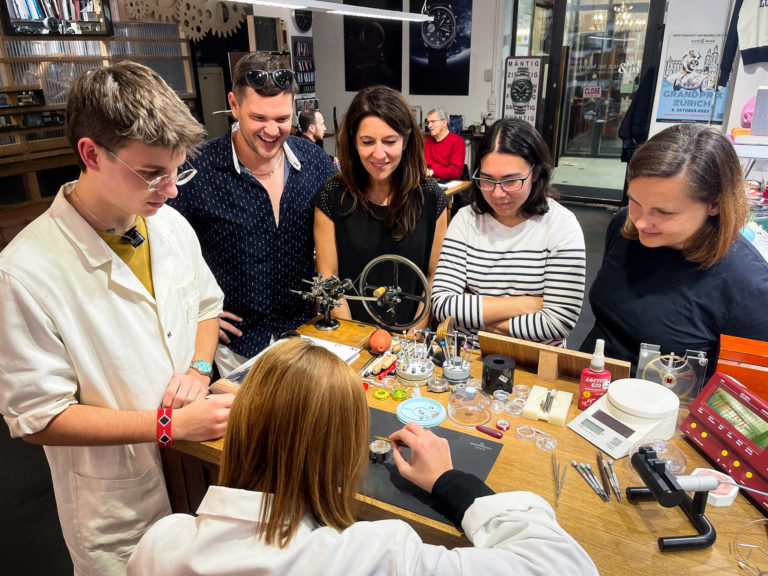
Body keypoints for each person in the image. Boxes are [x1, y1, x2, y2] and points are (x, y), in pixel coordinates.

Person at [0, 62, 234, 576]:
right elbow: (40, 418)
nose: (171, 190)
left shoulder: (168, 224)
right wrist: (167, 425)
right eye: (152, 173)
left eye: (179, 170)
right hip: (120, 503)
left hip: (194, 473)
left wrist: (197, 369)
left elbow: (205, 305)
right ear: (91, 154)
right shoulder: (24, 272)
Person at [127, 338, 599, 575]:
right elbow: (561, 565)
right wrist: (453, 483)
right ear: (344, 453)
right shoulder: (374, 556)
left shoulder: (157, 547)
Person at [169, 53, 336, 375]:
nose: (272, 130)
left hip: (302, 337)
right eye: (259, 118)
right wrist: (193, 312)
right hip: (233, 348)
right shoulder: (197, 168)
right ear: (234, 105)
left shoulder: (315, 163)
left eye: (282, 118)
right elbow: (161, 248)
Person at [581, 123, 768, 377]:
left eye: (663, 212)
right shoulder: (625, 227)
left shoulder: (749, 287)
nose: (641, 221)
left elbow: (739, 395)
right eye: (635, 202)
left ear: (714, 204)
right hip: (589, 384)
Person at [431, 118, 586, 346]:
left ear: (536, 172)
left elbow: (558, 322)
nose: (497, 193)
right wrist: (528, 304)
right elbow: (442, 306)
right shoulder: (466, 220)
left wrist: (474, 315)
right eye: (487, 179)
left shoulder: (561, 225)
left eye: (511, 181)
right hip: (466, 358)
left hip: (533, 363)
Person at [312, 85, 448, 328]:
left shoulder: (432, 199)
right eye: (367, 142)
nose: (379, 153)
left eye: (389, 141)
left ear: (405, 140)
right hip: (350, 339)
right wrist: (354, 342)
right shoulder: (331, 196)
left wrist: (410, 341)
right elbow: (329, 280)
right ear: (353, 140)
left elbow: (433, 279)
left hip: (410, 341)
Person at [424, 108, 465, 180]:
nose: (429, 126)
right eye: (428, 122)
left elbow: (455, 172)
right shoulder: (427, 140)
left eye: (433, 121)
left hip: (448, 182)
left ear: (444, 122)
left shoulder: (457, 141)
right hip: (429, 180)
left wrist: (431, 172)